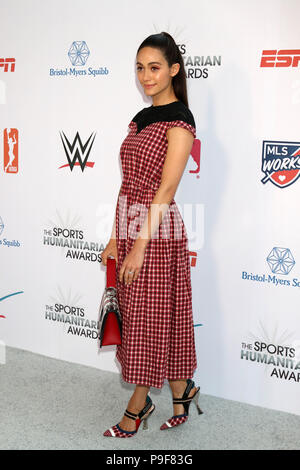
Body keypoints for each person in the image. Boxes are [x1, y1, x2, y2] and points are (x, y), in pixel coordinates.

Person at [101, 32, 203, 438]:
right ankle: (183, 391)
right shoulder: (140, 118)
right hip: (130, 222)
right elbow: (128, 183)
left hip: (156, 233)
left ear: (174, 70)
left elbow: (165, 190)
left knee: (146, 319)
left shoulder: (181, 118)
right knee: (161, 316)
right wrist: (114, 236)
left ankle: (138, 404)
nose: (146, 75)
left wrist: (139, 247)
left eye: (154, 67)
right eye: (140, 68)